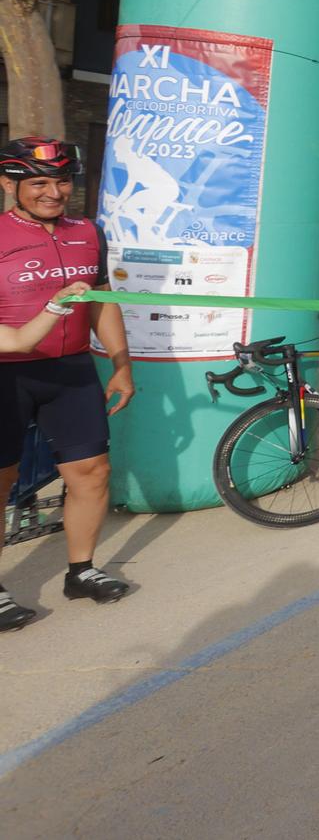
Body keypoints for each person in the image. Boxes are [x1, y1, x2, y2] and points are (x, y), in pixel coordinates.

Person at [0, 139, 136, 629]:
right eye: (38, 182)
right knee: (1, 481)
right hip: (7, 371)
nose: (53, 192)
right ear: (9, 185)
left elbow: (101, 301)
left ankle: (81, 571)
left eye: (62, 181)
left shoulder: (86, 232)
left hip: (72, 367)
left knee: (92, 472)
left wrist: (121, 363)